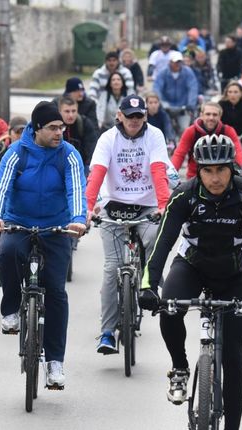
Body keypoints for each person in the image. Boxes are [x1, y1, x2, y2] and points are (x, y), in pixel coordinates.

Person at [138, 134, 242, 430]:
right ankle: (179, 366)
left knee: (233, 360)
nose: (215, 178)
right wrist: (147, 286)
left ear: (232, 168)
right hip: (192, 265)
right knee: (169, 307)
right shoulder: (185, 195)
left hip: (231, 274)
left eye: (222, 170)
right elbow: (163, 243)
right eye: (208, 171)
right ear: (198, 170)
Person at [0, 101, 87, 390]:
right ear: (37, 129)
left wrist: (78, 219)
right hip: (18, 221)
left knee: (56, 292)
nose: (60, 132)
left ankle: (55, 362)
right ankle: (10, 310)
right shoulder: (17, 153)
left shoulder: (68, 155)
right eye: (53, 128)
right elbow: (1, 184)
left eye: (62, 127)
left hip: (56, 227)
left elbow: (75, 188)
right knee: (7, 252)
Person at [84, 95, 171, 353]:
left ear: (145, 116)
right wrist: (89, 208)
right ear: (119, 115)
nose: (134, 121)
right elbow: (97, 174)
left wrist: (164, 203)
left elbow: (158, 170)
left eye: (139, 116)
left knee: (155, 239)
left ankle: (148, 278)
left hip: (147, 206)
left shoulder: (154, 135)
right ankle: (107, 333)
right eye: (129, 115)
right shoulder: (107, 139)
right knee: (112, 269)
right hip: (114, 208)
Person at [171, 101, 242, 179]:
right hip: (195, 176)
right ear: (201, 115)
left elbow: (238, 153)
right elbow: (179, 154)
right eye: (208, 114)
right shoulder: (191, 131)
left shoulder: (228, 131)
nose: (211, 118)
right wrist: (172, 175)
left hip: (222, 178)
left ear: (220, 116)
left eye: (215, 115)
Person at [154, 51, 199, 134]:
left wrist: (190, 104)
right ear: (170, 62)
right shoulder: (162, 73)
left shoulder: (188, 72)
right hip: (166, 106)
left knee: (185, 129)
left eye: (179, 62)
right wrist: (161, 103)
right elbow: (157, 88)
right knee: (162, 128)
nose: (177, 64)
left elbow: (193, 88)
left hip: (183, 106)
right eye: (175, 62)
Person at [0, 116, 26, 190]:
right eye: (17, 132)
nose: (21, 136)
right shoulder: (0, 150)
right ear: (9, 132)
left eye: (24, 132)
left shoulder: (32, 151)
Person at [59, 96, 99, 172]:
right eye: (67, 111)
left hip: (81, 166)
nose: (71, 115)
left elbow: (92, 150)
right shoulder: (54, 126)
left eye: (73, 111)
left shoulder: (85, 123)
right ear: (60, 111)